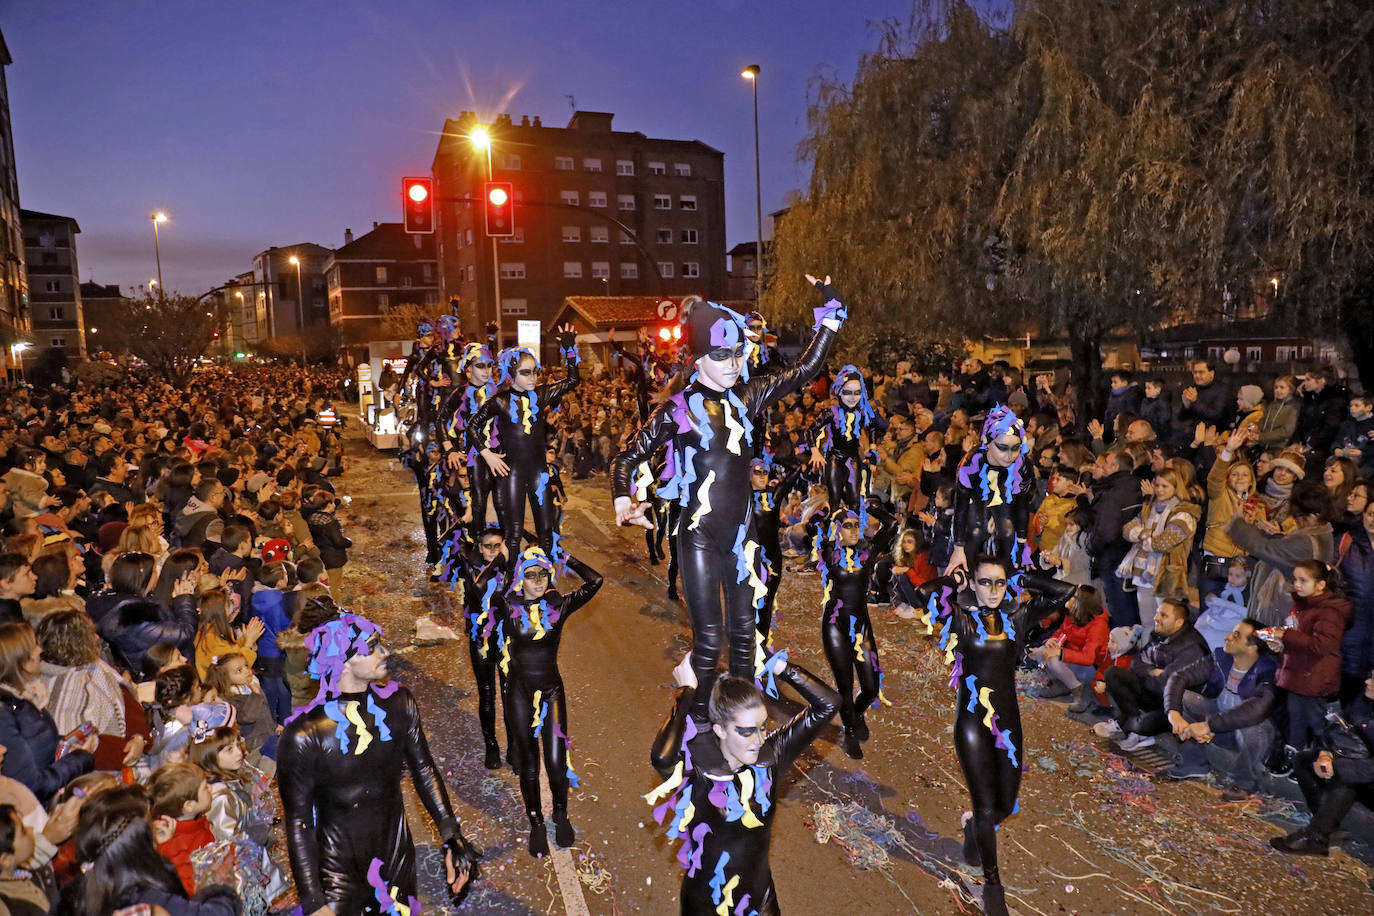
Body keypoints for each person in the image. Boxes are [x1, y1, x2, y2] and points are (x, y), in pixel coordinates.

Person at [611, 279, 846, 721]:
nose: (734, 363)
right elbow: (628, 456)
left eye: (739, 353)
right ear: (697, 358)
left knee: (745, 638)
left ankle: (741, 725)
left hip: (743, 535)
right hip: (699, 536)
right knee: (708, 642)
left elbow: (805, 370)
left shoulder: (747, 395)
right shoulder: (677, 409)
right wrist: (623, 498)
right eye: (721, 355)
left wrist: (831, 316)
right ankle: (693, 733)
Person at [277, 613, 478, 914]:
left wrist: (452, 835)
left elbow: (424, 770)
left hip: (397, 861)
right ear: (343, 660)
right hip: (336, 873)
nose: (385, 653)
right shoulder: (304, 736)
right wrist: (313, 900)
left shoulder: (400, 705)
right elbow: (299, 821)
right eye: (371, 647)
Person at [647, 653, 838, 916]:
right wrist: (685, 693)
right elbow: (661, 756)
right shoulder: (698, 774)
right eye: (746, 731)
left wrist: (776, 663)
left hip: (761, 900)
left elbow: (828, 704)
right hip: (707, 908)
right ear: (720, 730)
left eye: (762, 727)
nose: (758, 740)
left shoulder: (769, 759)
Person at [914, 557, 1033, 916]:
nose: (994, 591)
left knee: (1006, 803)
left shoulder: (1017, 617)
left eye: (1000, 583)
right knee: (984, 805)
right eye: (986, 583)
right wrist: (957, 580)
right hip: (971, 722)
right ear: (975, 585)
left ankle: (974, 830)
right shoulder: (962, 618)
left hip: (1008, 722)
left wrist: (1023, 577)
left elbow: (1066, 594)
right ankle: (993, 884)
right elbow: (924, 592)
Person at [492, 546, 602, 856]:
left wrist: (567, 558)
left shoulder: (559, 606)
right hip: (518, 691)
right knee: (528, 761)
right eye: (531, 575)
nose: (538, 580)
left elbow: (596, 581)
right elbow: (478, 586)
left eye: (543, 574)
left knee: (556, 762)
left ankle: (560, 812)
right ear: (520, 579)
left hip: (552, 690)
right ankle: (536, 821)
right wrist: (502, 558)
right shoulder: (506, 604)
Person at [469, 326, 582, 570]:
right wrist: (487, 455)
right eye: (525, 372)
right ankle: (510, 586)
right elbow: (472, 426)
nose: (532, 377)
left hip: (539, 473)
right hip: (512, 475)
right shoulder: (499, 401)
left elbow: (573, 380)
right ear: (511, 374)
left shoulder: (541, 396)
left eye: (534, 372)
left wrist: (569, 349)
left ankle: (546, 582)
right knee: (513, 535)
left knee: (547, 533)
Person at [56, 783, 240, 916]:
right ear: (138, 846)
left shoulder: (77, 887)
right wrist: (221, 884)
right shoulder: (147, 897)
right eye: (149, 827)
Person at [812, 506, 896, 758]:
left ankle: (857, 713)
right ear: (837, 530)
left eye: (856, 524)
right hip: (834, 626)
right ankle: (848, 731)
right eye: (847, 525)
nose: (854, 530)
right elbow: (813, 525)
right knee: (845, 685)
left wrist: (864, 505)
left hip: (860, 625)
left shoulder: (867, 552)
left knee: (870, 687)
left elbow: (891, 524)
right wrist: (830, 516)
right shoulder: (829, 552)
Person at [1162, 618, 1278, 797]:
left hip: (1245, 736)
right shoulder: (1220, 658)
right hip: (1218, 723)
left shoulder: (1268, 671)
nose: (1227, 637)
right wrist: (1173, 713)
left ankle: (1244, 782)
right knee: (1184, 698)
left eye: (1236, 636)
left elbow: (1255, 709)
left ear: (1251, 648)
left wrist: (1208, 726)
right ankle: (1193, 762)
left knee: (1255, 724)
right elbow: (1178, 677)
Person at [1269, 667, 1374, 857]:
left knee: (1345, 778)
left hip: (1367, 774)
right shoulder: (1364, 701)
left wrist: (1339, 766)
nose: (1367, 682)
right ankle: (1326, 824)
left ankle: (1316, 837)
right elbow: (1338, 725)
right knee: (1303, 760)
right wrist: (1326, 753)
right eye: (1370, 677)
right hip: (1356, 759)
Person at [1264, 560, 1351, 776]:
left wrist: (1286, 636)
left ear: (1321, 585)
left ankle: (1322, 761)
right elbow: (1299, 639)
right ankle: (1295, 757)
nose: (1297, 584)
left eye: (1303, 580)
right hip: (1298, 674)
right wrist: (1280, 643)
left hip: (1315, 676)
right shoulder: (1302, 606)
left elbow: (1322, 645)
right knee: (1297, 718)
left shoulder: (1330, 612)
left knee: (1317, 722)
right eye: (1295, 579)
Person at [1095, 598, 1209, 750]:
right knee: (1113, 674)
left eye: (1163, 615)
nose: (1156, 618)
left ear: (1179, 623)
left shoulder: (1191, 647)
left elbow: (1167, 683)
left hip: (1173, 704)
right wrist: (1152, 671)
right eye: (1157, 613)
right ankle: (1130, 724)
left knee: (1141, 724)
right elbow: (1136, 663)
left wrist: (1151, 674)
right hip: (1153, 690)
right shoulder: (1160, 634)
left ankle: (1135, 728)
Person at [0, 622, 95, 803]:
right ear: (23, 662)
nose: (39, 649)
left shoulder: (22, 699)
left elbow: (34, 744)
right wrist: (81, 757)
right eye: (33, 646)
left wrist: (67, 744)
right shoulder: (7, 712)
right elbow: (33, 786)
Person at [945, 406, 1035, 575]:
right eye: (1002, 448)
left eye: (1015, 448)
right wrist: (958, 547)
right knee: (976, 531)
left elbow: (1022, 504)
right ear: (988, 443)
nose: (1010, 455)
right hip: (977, 487)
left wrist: (1022, 543)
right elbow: (961, 508)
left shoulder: (1022, 464)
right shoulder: (971, 463)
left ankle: (1003, 577)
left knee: (1008, 533)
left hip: (1003, 488)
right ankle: (967, 574)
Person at [459, 527, 509, 770]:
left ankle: (515, 746)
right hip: (482, 639)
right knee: (487, 694)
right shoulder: (471, 566)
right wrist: (502, 556)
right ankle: (491, 745)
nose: (492, 551)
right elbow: (480, 588)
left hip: (508, 639)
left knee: (511, 694)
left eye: (497, 545)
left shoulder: (512, 567)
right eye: (487, 546)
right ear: (479, 547)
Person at [440, 342, 498, 541]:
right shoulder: (460, 393)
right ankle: (476, 547)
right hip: (472, 456)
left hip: (496, 455)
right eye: (480, 366)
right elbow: (440, 420)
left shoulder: (498, 391)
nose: (486, 370)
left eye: (489, 365)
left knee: (501, 503)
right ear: (468, 369)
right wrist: (450, 450)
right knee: (478, 504)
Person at [807, 366, 877, 514]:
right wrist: (815, 452)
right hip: (833, 458)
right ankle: (833, 532)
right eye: (848, 392)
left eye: (857, 393)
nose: (852, 397)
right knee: (834, 499)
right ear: (839, 391)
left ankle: (854, 531)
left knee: (855, 500)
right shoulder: (830, 413)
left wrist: (872, 447)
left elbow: (872, 428)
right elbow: (810, 431)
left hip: (852, 458)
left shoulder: (862, 412)